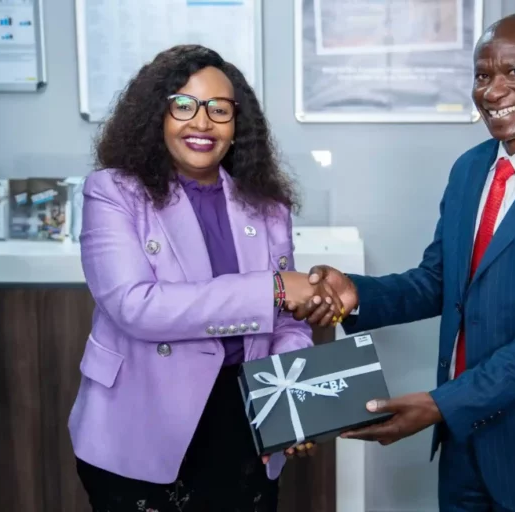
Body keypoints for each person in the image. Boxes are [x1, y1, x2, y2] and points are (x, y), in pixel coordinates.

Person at [295, 13, 515, 512]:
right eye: (483, 75)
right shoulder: (470, 169)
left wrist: (441, 404)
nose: (495, 91)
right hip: (465, 445)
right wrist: (355, 293)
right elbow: (439, 280)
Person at [68, 45, 342, 512]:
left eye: (219, 110)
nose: (202, 122)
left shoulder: (267, 204)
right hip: (141, 421)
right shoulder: (113, 192)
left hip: (247, 418)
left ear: (238, 126)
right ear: (158, 115)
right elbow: (138, 307)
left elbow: (289, 324)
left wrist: (290, 406)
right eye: (183, 105)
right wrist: (272, 289)